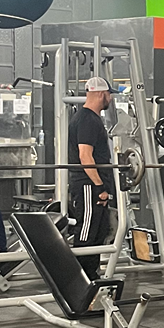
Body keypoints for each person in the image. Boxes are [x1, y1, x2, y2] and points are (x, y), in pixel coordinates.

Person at [68, 77, 116, 280]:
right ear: (101, 94)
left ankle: (92, 276)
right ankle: (80, 279)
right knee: (87, 232)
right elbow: (85, 156)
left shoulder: (91, 119)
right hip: (88, 184)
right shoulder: (87, 120)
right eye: (109, 94)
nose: (110, 99)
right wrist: (99, 187)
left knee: (98, 231)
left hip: (92, 183)